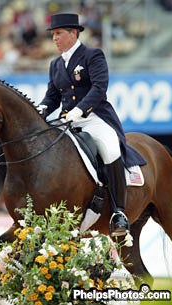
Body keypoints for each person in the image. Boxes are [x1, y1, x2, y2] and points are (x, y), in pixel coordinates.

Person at [38, 13, 145, 237]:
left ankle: (118, 212)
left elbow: (99, 88)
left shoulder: (92, 55)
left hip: (94, 116)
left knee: (109, 147)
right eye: (53, 35)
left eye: (58, 33)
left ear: (73, 33)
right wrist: (42, 109)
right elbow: (52, 96)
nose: (55, 38)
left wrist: (80, 110)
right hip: (67, 119)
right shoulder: (55, 64)